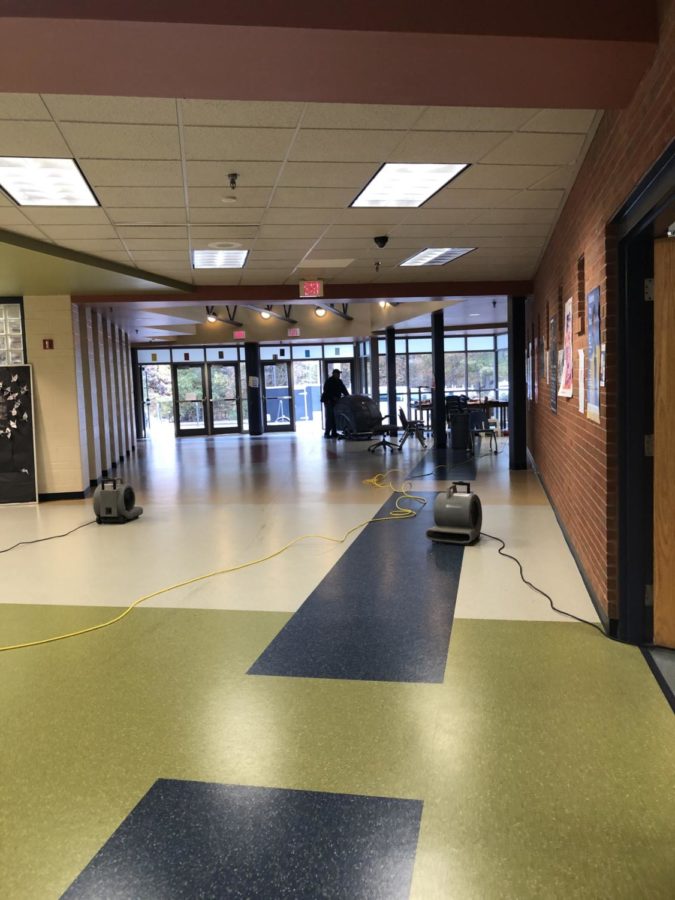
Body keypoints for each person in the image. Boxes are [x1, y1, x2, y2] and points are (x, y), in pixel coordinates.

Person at [321, 369, 349, 438]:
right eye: (337, 374)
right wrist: (333, 397)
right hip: (329, 401)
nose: (339, 375)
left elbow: (343, 389)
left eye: (339, 374)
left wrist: (348, 396)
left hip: (335, 401)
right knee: (330, 417)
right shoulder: (329, 381)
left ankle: (334, 432)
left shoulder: (339, 381)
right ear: (334, 374)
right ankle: (327, 433)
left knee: (334, 417)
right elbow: (327, 391)